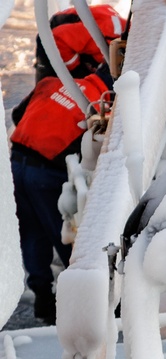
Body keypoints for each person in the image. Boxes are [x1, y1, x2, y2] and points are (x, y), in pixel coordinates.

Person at [8, 6, 125, 323]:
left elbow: (18, 116)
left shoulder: (53, 83)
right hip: (47, 170)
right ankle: (86, 300)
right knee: (66, 235)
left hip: (17, 160)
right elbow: (97, 149)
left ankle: (43, 298)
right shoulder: (102, 105)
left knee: (32, 234)